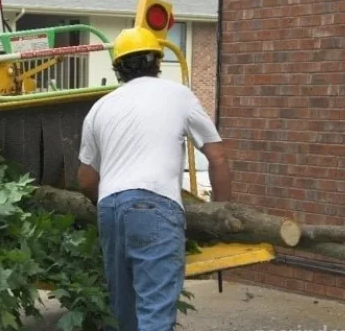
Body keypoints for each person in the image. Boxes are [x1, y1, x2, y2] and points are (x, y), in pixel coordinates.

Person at [77, 27, 232, 331]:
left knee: (127, 315)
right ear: (158, 62)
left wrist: (117, 205)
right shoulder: (179, 94)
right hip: (155, 205)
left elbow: (85, 180)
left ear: (118, 68)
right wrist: (222, 213)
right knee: (155, 315)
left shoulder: (99, 108)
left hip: (109, 210)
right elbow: (218, 158)